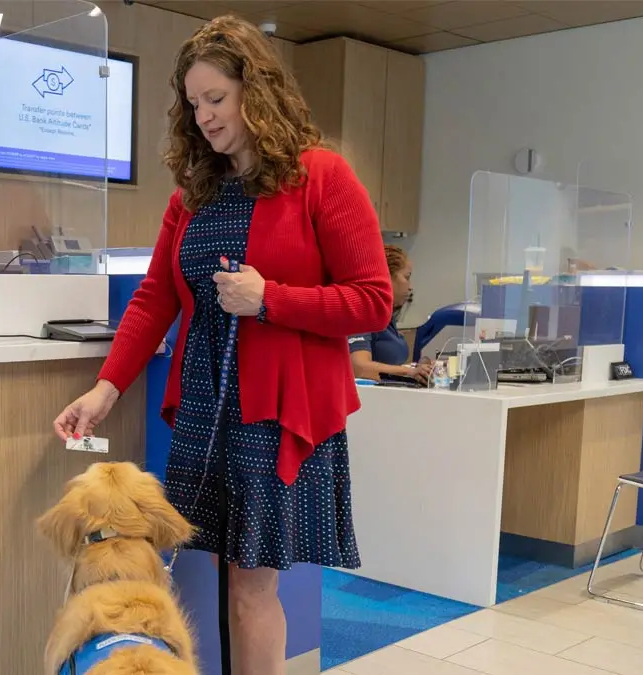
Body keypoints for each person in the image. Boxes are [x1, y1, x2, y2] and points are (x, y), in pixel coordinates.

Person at [52, 16, 392, 674]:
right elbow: (156, 297)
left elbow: (373, 298)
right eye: (193, 102)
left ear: (255, 91)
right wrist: (105, 388)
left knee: (250, 584)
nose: (203, 116)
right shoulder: (193, 195)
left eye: (216, 98)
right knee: (214, 572)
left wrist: (272, 298)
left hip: (277, 411)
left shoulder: (321, 176)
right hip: (208, 406)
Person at [349, 245, 433, 384]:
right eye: (407, 277)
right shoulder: (364, 315)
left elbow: (390, 366)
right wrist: (410, 371)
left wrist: (420, 367)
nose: (410, 286)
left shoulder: (386, 318)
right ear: (387, 277)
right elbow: (359, 367)